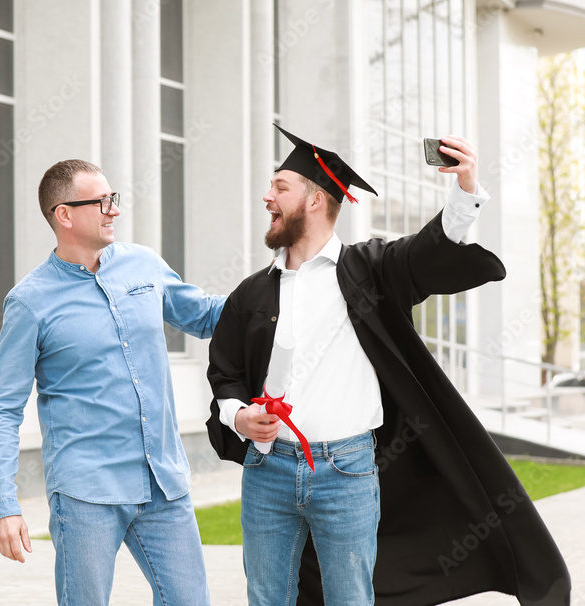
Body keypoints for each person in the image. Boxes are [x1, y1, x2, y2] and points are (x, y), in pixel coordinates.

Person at [206, 125, 570, 605]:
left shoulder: (369, 270)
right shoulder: (251, 293)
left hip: (347, 473)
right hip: (268, 471)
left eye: (280, 186)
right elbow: (224, 377)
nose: (267, 196)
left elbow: (428, 251)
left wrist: (464, 191)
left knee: (351, 598)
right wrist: (239, 416)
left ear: (314, 201)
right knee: (267, 596)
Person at [0, 159, 224, 606]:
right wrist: (4, 503)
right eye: (102, 201)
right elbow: (0, 407)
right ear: (65, 215)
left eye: (114, 199)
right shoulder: (31, 303)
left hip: (163, 482)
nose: (113, 210)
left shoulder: (143, 265)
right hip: (86, 494)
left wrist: (280, 286)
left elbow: (207, 316)